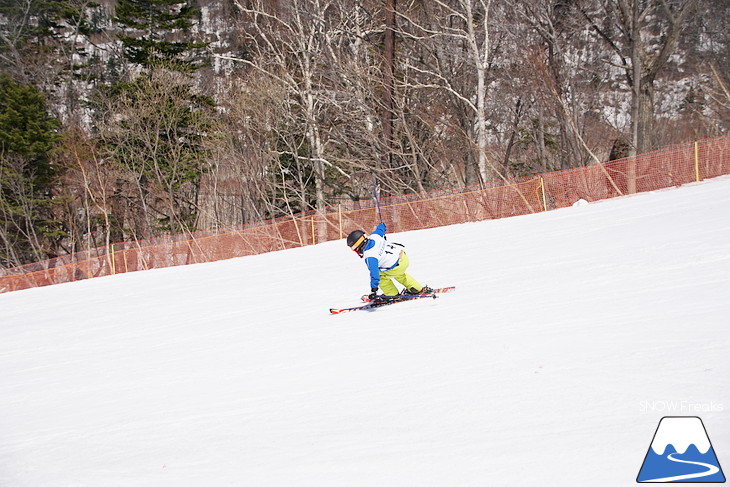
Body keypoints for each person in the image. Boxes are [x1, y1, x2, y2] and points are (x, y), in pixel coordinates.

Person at [346, 223, 432, 302]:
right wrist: (382, 225)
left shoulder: (369, 256)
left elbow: (374, 274)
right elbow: (381, 228)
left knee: (381, 276)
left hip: (395, 266)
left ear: (358, 246)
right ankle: (417, 289)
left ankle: (392, 295)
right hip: (403, 258)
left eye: (353, 248)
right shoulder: (374, 236)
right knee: (399, 274)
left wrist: (374, 290)